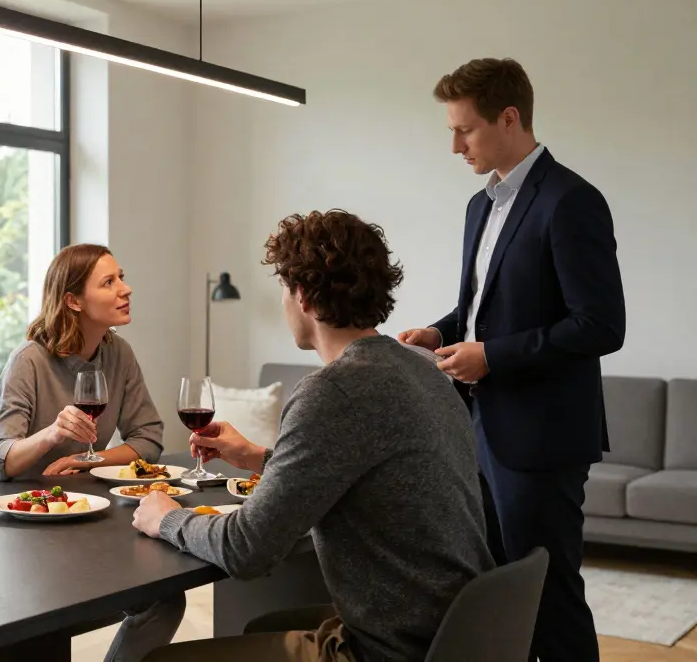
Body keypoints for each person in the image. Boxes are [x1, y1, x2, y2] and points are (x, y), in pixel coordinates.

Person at [133, 210, 494, 662]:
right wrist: (258, 456)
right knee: (262, 626)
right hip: (451, 631)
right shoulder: (422, 369)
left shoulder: (334, 390)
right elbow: (369, 471)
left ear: (301, 295)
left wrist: (165, 517)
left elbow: (246, 549)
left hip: (389, 647)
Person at [400, 57, 626, 662]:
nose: (454, 146)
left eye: (464, 130)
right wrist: (439, 330)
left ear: (508, 117)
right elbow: (481, 307)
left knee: (549, 598)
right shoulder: (481, 206)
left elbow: (601, 326)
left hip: (542, 438)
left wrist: (492, 357)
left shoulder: (572, 200)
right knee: (495, 593)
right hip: (478, 430)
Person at [0, 242, 179, 662]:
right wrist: (52, 434)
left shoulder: (118, 354)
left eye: (121, 277)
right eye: (109, 282)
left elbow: (149, 438)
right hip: (20, 528)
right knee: (43, 620)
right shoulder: (28, 362)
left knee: (164, 599)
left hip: (87, 515)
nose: (126, 289)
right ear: (73, 300)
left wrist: (87, 459)